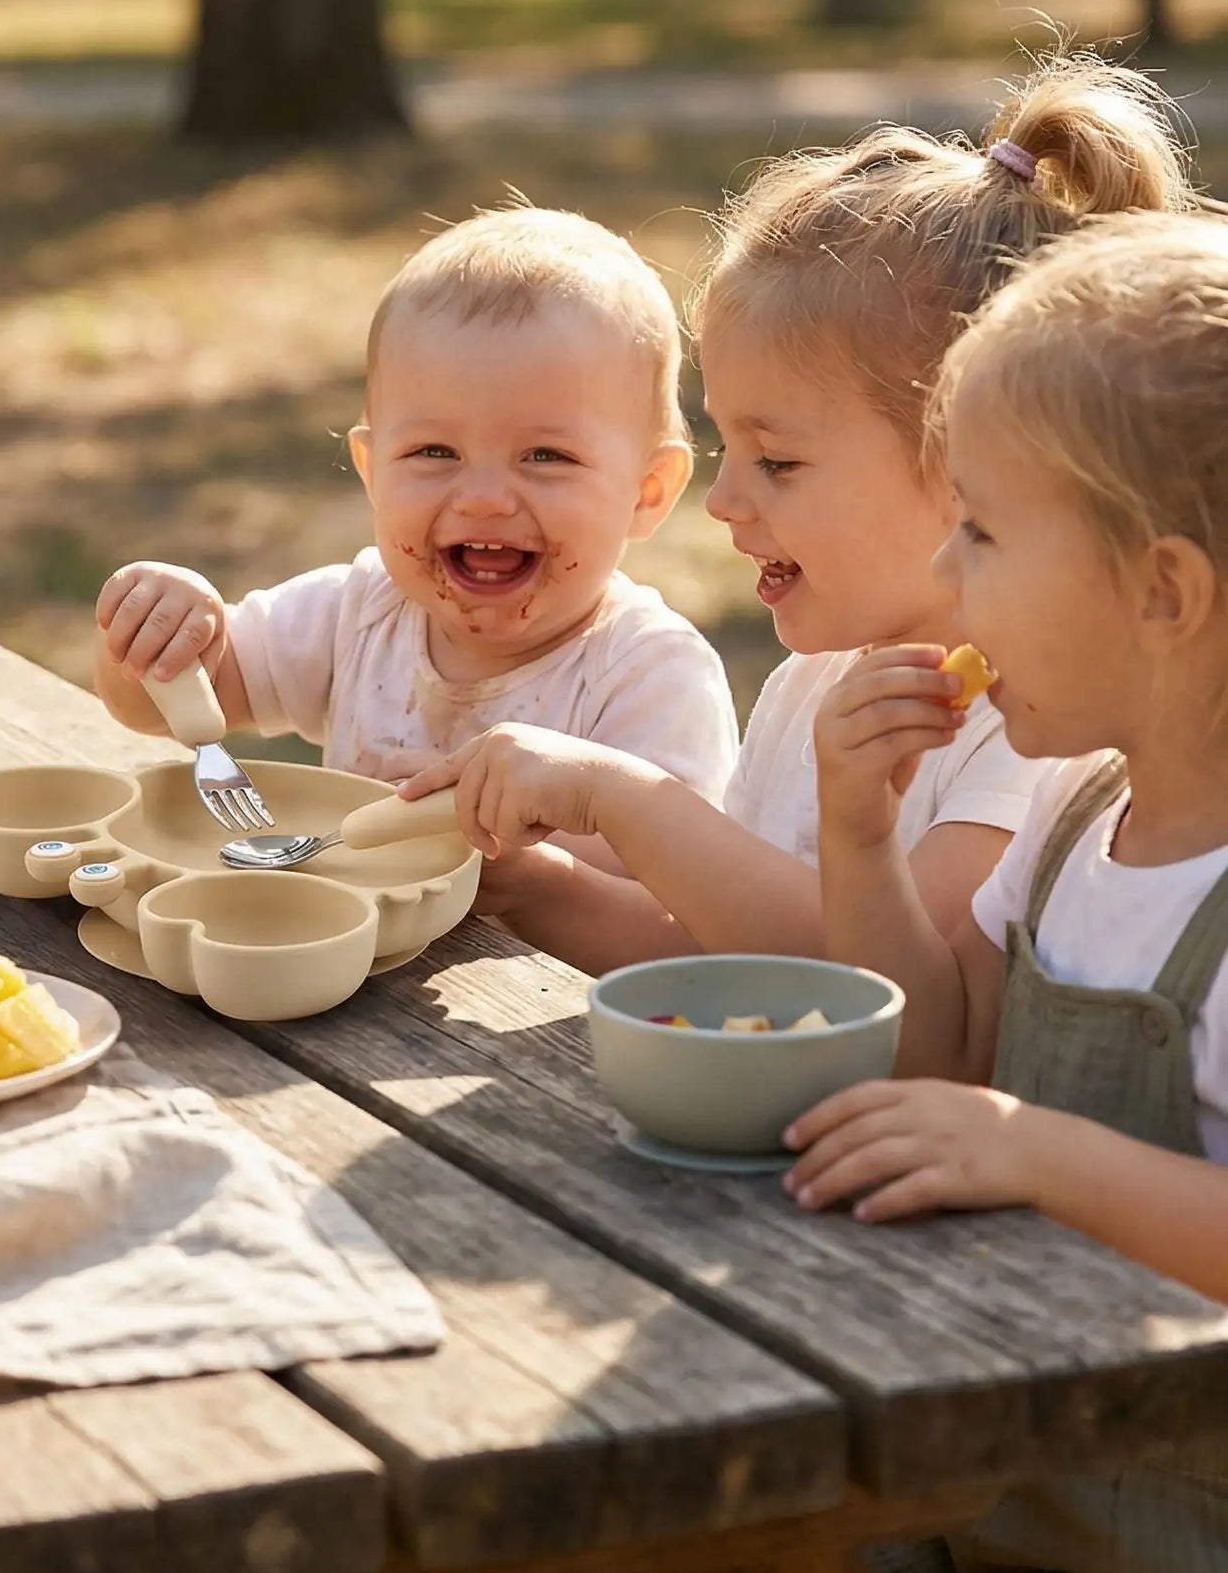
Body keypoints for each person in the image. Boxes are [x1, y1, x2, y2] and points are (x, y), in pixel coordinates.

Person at [401, 57, 1198, 974]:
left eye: (777, 461)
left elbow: (872, 985)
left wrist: (626, 798)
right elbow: (725, 946)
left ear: (967, 461)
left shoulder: (1033, 732)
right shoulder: (809, 685)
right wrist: (532, 886)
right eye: (727, 450)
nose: (726, 501)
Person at [782, 209, 1228, 1573]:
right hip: (991, 1487)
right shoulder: (1067, 808)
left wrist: (1038, 1150)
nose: (944, 573)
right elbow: (940, 1050)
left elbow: (998, 1123)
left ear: (1161, 592)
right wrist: (859, 839)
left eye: (978, 529)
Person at [92, 205, 738, 858]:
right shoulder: (360, 615)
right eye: (434, 452)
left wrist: (517, 878)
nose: (484, 498)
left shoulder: (651, 679)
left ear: (647, 492)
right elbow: (164, 706)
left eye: (547, 456)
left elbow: (672, 912)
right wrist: (154, 633)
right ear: (373, 470)